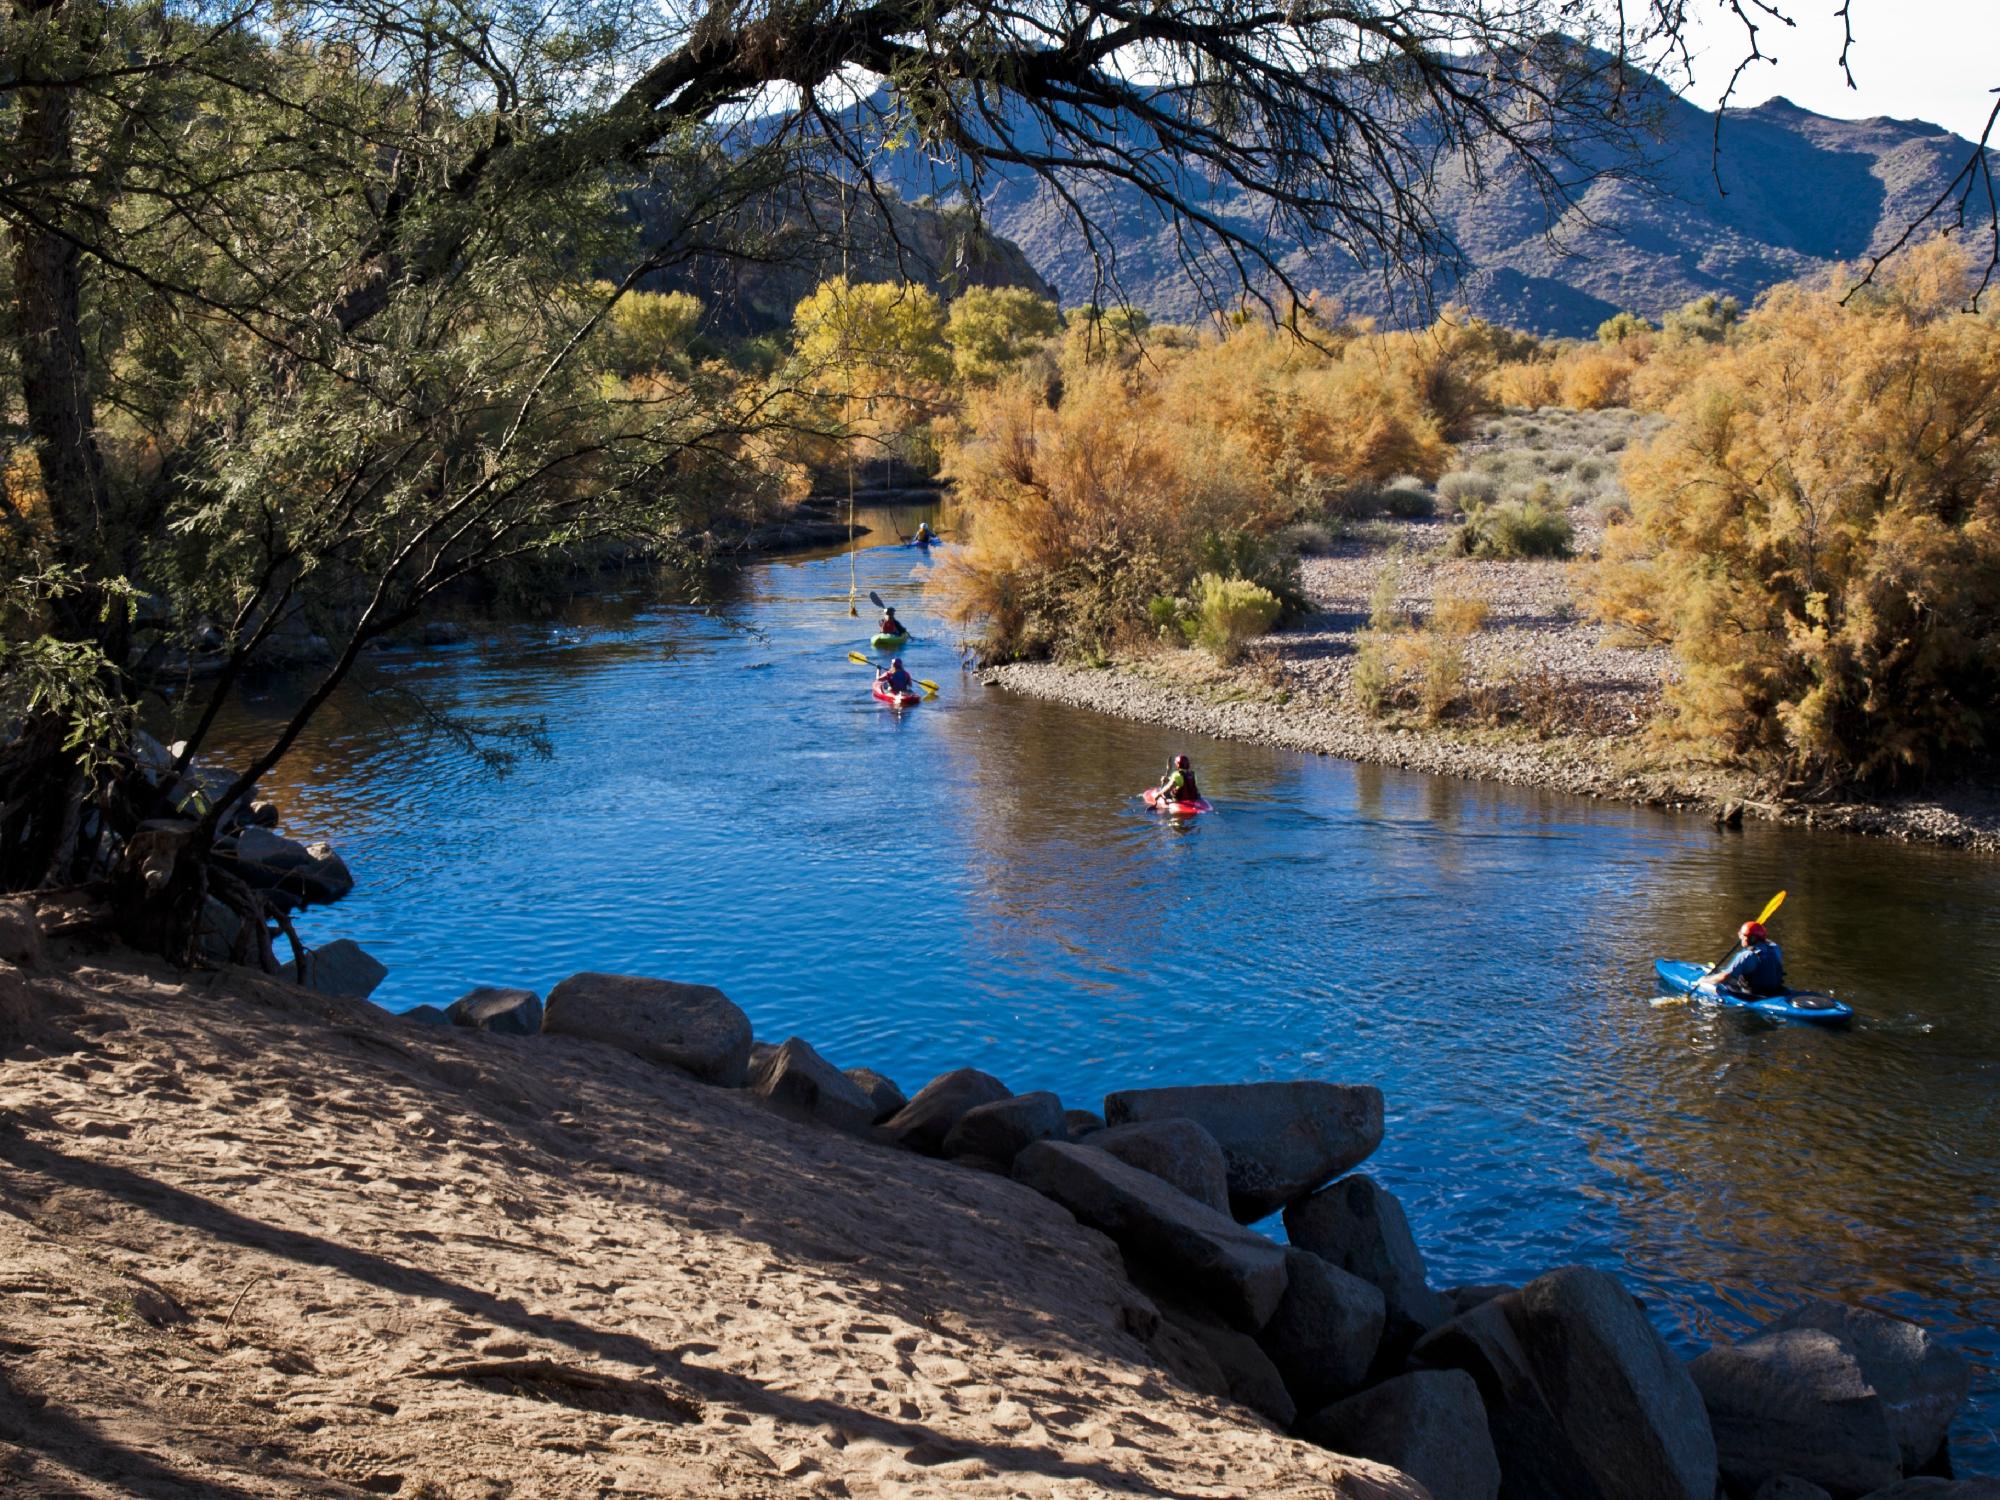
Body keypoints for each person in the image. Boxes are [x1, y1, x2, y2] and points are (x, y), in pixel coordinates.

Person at [1708, 920, 1786, 997]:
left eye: (1742, 936)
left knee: (1725, 980)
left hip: (1753, 996)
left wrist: (1705, 980)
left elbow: (1724, 977)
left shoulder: (1747, 955)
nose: (1741, 938)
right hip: (1775, 991)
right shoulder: (1775, 948)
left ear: (1748, 938)